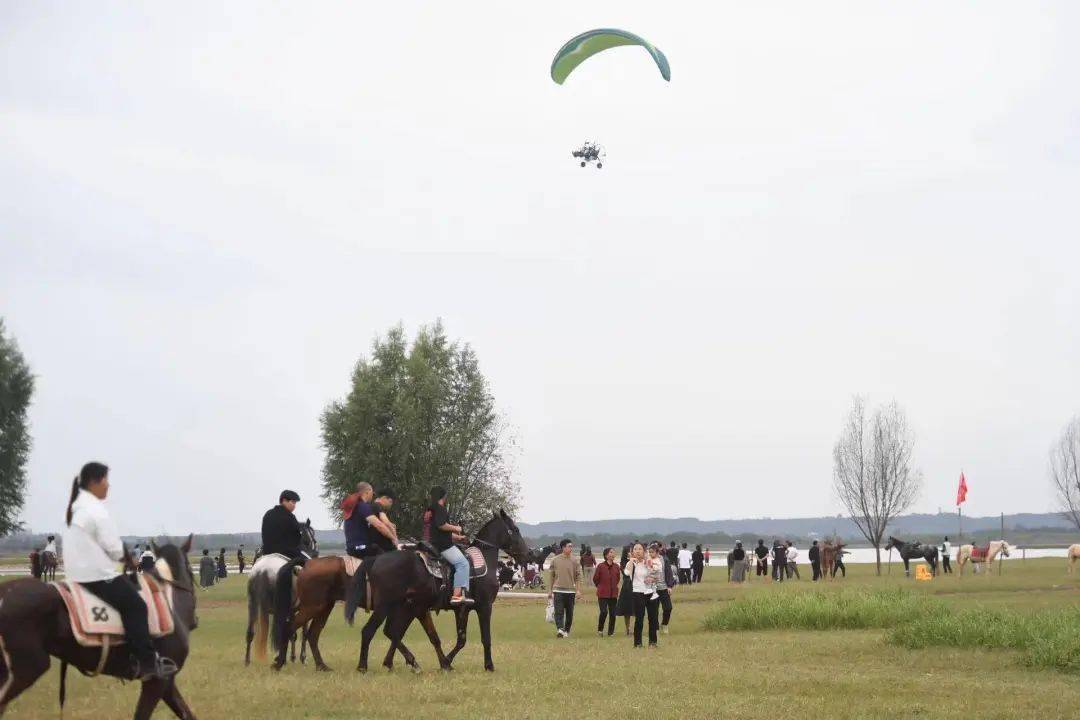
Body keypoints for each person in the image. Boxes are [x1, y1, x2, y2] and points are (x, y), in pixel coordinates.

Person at [62, 461, 176, 681]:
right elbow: (114, 550)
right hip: (96, 576)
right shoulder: (95, 510)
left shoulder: (76, 508)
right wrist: (130, 560)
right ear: (94, 482)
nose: (108, 486)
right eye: (106, 480)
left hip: (75, 575)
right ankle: (146, 663)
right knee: (136, 606)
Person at [343, 482, 400, 621]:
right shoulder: (363, 507)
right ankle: (385, 597)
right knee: (390, 563)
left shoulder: (353, 507)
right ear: (367, 492)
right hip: (363, 547)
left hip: (352, 547)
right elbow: (379, 525)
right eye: (371, 493)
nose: (372, 496)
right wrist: (394, 539)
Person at [422, 486, 471, 605]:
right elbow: (441, 525)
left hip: (432, 543)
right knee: (463, 564)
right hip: (443, 546)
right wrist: (456, 528)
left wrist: (459, 537)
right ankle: (456, 596)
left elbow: (439, 531)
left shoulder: (430, 510)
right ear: (443, 496)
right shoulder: (440, 508)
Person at [624, 542, 661, 648]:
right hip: (637, 592)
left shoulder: (649, 562)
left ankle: (653, 642)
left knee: (653, 618)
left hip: (650, 592)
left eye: (640, 549)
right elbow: (627, 573)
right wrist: (631, 561)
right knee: (639, 618)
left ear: (644, 551)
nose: (638, 551)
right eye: (635, 549)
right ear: (632, 552)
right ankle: (638, 643)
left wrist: (652, 578)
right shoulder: (631, 563)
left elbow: (657, 575)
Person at [260, 490, 309, 561]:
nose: (294, 506)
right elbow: (297, 537)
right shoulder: (289, 516)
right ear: (284, 500)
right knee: (308, 562)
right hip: (286, 553)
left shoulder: (268, 514)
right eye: (293, 502)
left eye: (295, 503)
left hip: (266, 553)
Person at [547, 539, 582, 638]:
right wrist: (550, 590)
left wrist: (578, 590)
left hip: (571, 591)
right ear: (563, 547)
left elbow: (578, 576)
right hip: (558, 590)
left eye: (571, 546)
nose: (571, 548)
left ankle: (566, 630)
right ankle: (560, 629)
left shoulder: (575, 560)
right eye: (569, 546)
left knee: (570, 613)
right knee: (559, 611)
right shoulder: (555, 560)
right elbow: (551, 576)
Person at [593, 547, 621, 636]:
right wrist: (601, 586)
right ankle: (600, 630)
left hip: (613, 594)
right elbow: (595, 579)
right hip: (603, 593)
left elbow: (617, 579)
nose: (613, 554)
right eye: (611, 552)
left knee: (613, 613)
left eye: (614, 552)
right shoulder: (601, 566)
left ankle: (611, 632)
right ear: (606, 555)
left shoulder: (616, 566)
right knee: (604, 612)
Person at [653, 542, 677, 634]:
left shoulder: (664, 559)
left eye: (658, 547)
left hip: (664, 588)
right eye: (654, 547)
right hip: (653, 588)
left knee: (668, 608)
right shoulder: (648, 560)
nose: (657, 549)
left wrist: (670, 586)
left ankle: (665, 624)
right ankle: (655, 628)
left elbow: (668, 573)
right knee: (654, 610)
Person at [615, 545, 635, 636]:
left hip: (637, 584)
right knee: (627, 609)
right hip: (627, 586)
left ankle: (635, 627)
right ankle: (628, 629)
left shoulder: (638, 561)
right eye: (630, 551)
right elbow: (626, 572)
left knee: (636, 608)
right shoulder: (623, 563)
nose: (632, 552)